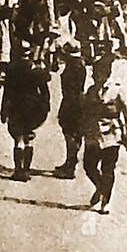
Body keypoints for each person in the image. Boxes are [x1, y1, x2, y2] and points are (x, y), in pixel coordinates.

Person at [80, 55, 127, 214]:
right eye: (95, 74)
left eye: (100, 73)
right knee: (88, 166)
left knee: (108, 169)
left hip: (112, 135)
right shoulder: (91, 91)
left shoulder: (117, 90)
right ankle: (100, 187)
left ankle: (106, 201)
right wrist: (81, 130)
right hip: (93, 135)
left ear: (107, 73)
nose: (96, 76)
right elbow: (85, 112)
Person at [0, 40, 51, 182]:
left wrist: (4, 110)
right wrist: (45, 106)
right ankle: (27, 170)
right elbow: (45, 91)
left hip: (16, 106)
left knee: (18, 138)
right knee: (28, 138)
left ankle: (18, 171)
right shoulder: (36, 69)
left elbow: (7, 92)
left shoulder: (11, 69)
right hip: (33, 108)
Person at [53, 40, 88, 179]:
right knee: (74, 133)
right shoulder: (78, 64)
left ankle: (71, 164)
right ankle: (70, 162)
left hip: (71, 101)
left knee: (70, 133)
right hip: (76, 100)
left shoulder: (74, 66)